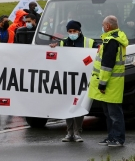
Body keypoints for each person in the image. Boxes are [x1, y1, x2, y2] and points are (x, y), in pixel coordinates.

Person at [50, 20, 97, 143]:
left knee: (79, 106)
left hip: (82, 80)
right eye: (70, 31)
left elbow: (97, 52)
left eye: (74, 31)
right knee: (68, 106)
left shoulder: (89, 42)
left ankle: (77, 132)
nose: (72, 33)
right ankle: (69, 132)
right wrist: (53, 48)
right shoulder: (63, 43)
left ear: (79, 31)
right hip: (67, 81)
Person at [88, 16, 128, 147]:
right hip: (113, 83)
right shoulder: (116, 38)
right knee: (109, 113)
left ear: (107, 26)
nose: (102, 27)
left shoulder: (111, 41)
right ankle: (112, 137)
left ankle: (118, 138)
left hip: (110, 83)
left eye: (102, 24)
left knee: (114, 114)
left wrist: (102, 83)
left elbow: (106, 65)